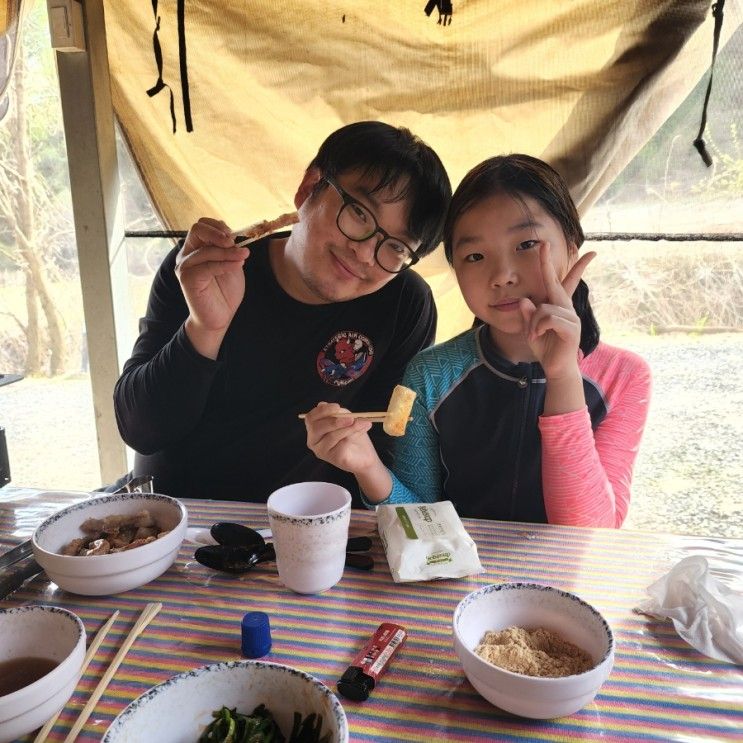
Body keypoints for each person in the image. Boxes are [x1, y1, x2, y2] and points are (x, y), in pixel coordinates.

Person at [114, 121, 452, 504]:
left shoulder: (404, 304)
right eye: (359, 213)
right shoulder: (208, 268)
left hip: (305, 523)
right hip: (181, 521)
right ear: (310, 188)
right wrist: (205, 327)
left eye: (395, 246)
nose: (364, 252)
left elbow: (385, 442)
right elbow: (140, 429)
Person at [304, 154, 651, 526]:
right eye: (474, 255)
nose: (501, 275)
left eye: (526, 244)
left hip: (566, 582)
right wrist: (368, 467)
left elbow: (591, 534)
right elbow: (422, 518)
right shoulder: (428, 375)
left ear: (571, 245)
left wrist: (563, 374)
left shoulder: (625, 377)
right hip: (459, 579)